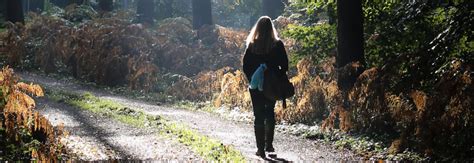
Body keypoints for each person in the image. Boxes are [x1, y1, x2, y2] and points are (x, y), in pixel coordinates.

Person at [242, 16, 288, 158]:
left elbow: (245, 66)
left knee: (258, 115)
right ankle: (269, 145)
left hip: (256, 86)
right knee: (269, 113)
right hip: (272, 85)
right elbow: (285, 65)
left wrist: (253, 78)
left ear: (258, 28)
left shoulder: (252, 45)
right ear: (271, 28)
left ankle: (260, 149)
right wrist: (277, 76)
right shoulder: (277, 44)